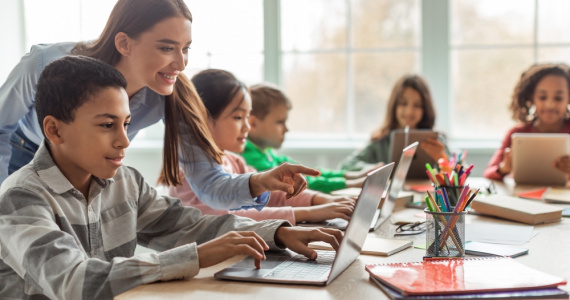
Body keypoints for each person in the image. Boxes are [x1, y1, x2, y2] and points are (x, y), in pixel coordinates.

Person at [0, 56, 343, 300]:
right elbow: (74, 283)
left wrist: (278, 232)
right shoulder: (21, 198)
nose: (124, 140)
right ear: (54, 130)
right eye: (107, 125)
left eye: (126, 123)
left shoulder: (125, 182)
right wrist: (194, 257)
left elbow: (192, 226)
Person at [0, 0, 317, 211]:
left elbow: (207, 182)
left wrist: (260, 180)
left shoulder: (168, 94)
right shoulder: (45, 62)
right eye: (167, 47)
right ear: (124, 43)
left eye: (186, 49)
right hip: (23, 157)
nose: (180, 63)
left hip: (89, 170)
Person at [168, 69, 355, 225]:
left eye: (247, 118)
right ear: (203, 118)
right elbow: (228, 219)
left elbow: (274, 195)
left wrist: (326, 201)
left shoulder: (235, 161)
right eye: (238, 118)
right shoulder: (189, 173)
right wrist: (309, 213)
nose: (248, 127)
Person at [241, 83, 373, 194]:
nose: (286, 129)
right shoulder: (247, 157)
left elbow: (308, 172)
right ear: (253, 124)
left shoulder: (267, 152)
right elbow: (301, 183)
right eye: (280, 122)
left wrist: (350, 176)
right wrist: (352, 183)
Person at [339, 74, 447, 172]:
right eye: (403, 103)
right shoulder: (380, 141)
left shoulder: (436, 141)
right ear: (394, 105)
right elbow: (345, 165)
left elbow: (459, 173)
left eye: (417, 105)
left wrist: (443, 160)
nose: (409, 111)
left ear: (425, 109)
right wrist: (376, 169)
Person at [483, 63, 570, 180]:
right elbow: (489, 173)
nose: (550, 105)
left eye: (558, 98)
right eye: (542, 97)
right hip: (522, 196)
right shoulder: (517, 133)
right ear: (531, 97)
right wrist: (505, 168)